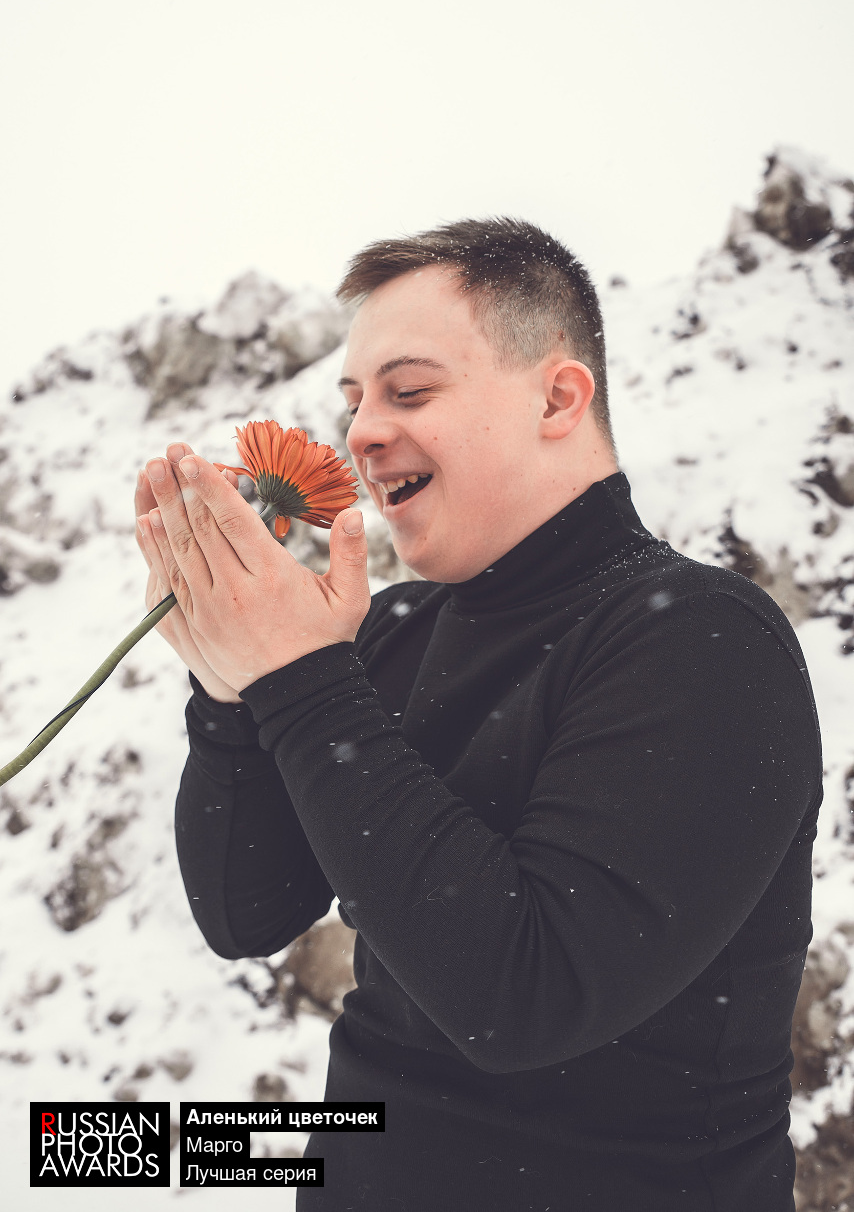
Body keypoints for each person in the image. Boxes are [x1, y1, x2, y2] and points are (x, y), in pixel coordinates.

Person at [135, 218, 822, 1211]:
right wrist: (232, 687)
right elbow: (246, 911)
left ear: (556, 397)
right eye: (354, 401)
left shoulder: (703, 638)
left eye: (409, 391)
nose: (361, 431)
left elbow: (522, 997)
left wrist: (302, 681)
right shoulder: (391, 632)